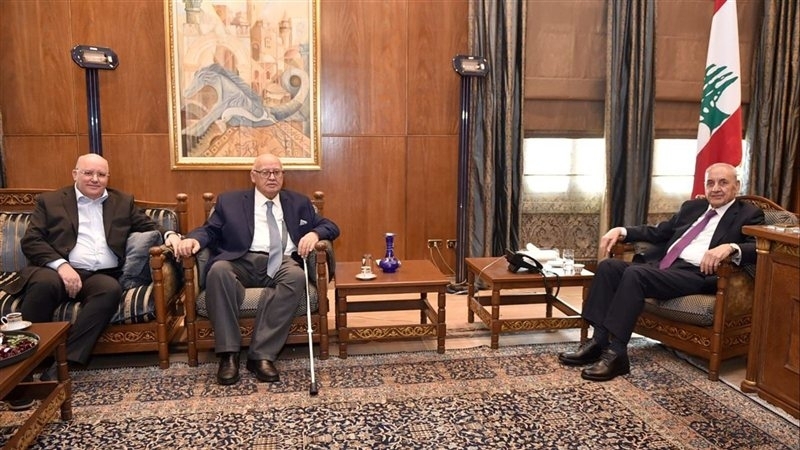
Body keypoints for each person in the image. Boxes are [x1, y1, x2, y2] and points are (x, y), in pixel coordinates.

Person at [1, 154, 181, 410]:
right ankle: (22, 374)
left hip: (99, 275)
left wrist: (171, 235)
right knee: (44, 285)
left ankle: (62, 364)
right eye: (88, 173)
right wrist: (61, 265)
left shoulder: (122, 202)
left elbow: (149, 225)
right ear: (75, 174)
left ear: (108, 177)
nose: (95, 179)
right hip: (55, 270)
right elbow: (31, 241)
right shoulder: (50, 201)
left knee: (110, 290)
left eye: (101, 174)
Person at [558, 163, 765, 381]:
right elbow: (659, 232)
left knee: (635, 274)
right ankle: (598, 341)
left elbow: (760, 248)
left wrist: (731, 247)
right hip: (665, 266)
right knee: (608, 267)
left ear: (736, 186)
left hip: (697, 274)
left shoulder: (749, 214)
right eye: (710, 183)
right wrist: (622, 230)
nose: (715, 188)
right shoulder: (693, 207)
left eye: (723, 183)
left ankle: (617, 353)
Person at [173, 153, 340, 385]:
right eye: (265, 172)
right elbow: (210, 230)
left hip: (281, 260)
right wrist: (194, 240)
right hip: (240, 259)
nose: (272, 177)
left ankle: (261, 355)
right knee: (218, 271)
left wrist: (314, 233)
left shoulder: (299, 203)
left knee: (296, 276)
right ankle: (229, 354)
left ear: (283, 175)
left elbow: (330, 226)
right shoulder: (229, 202)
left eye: (277, 172)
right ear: (253, 176)